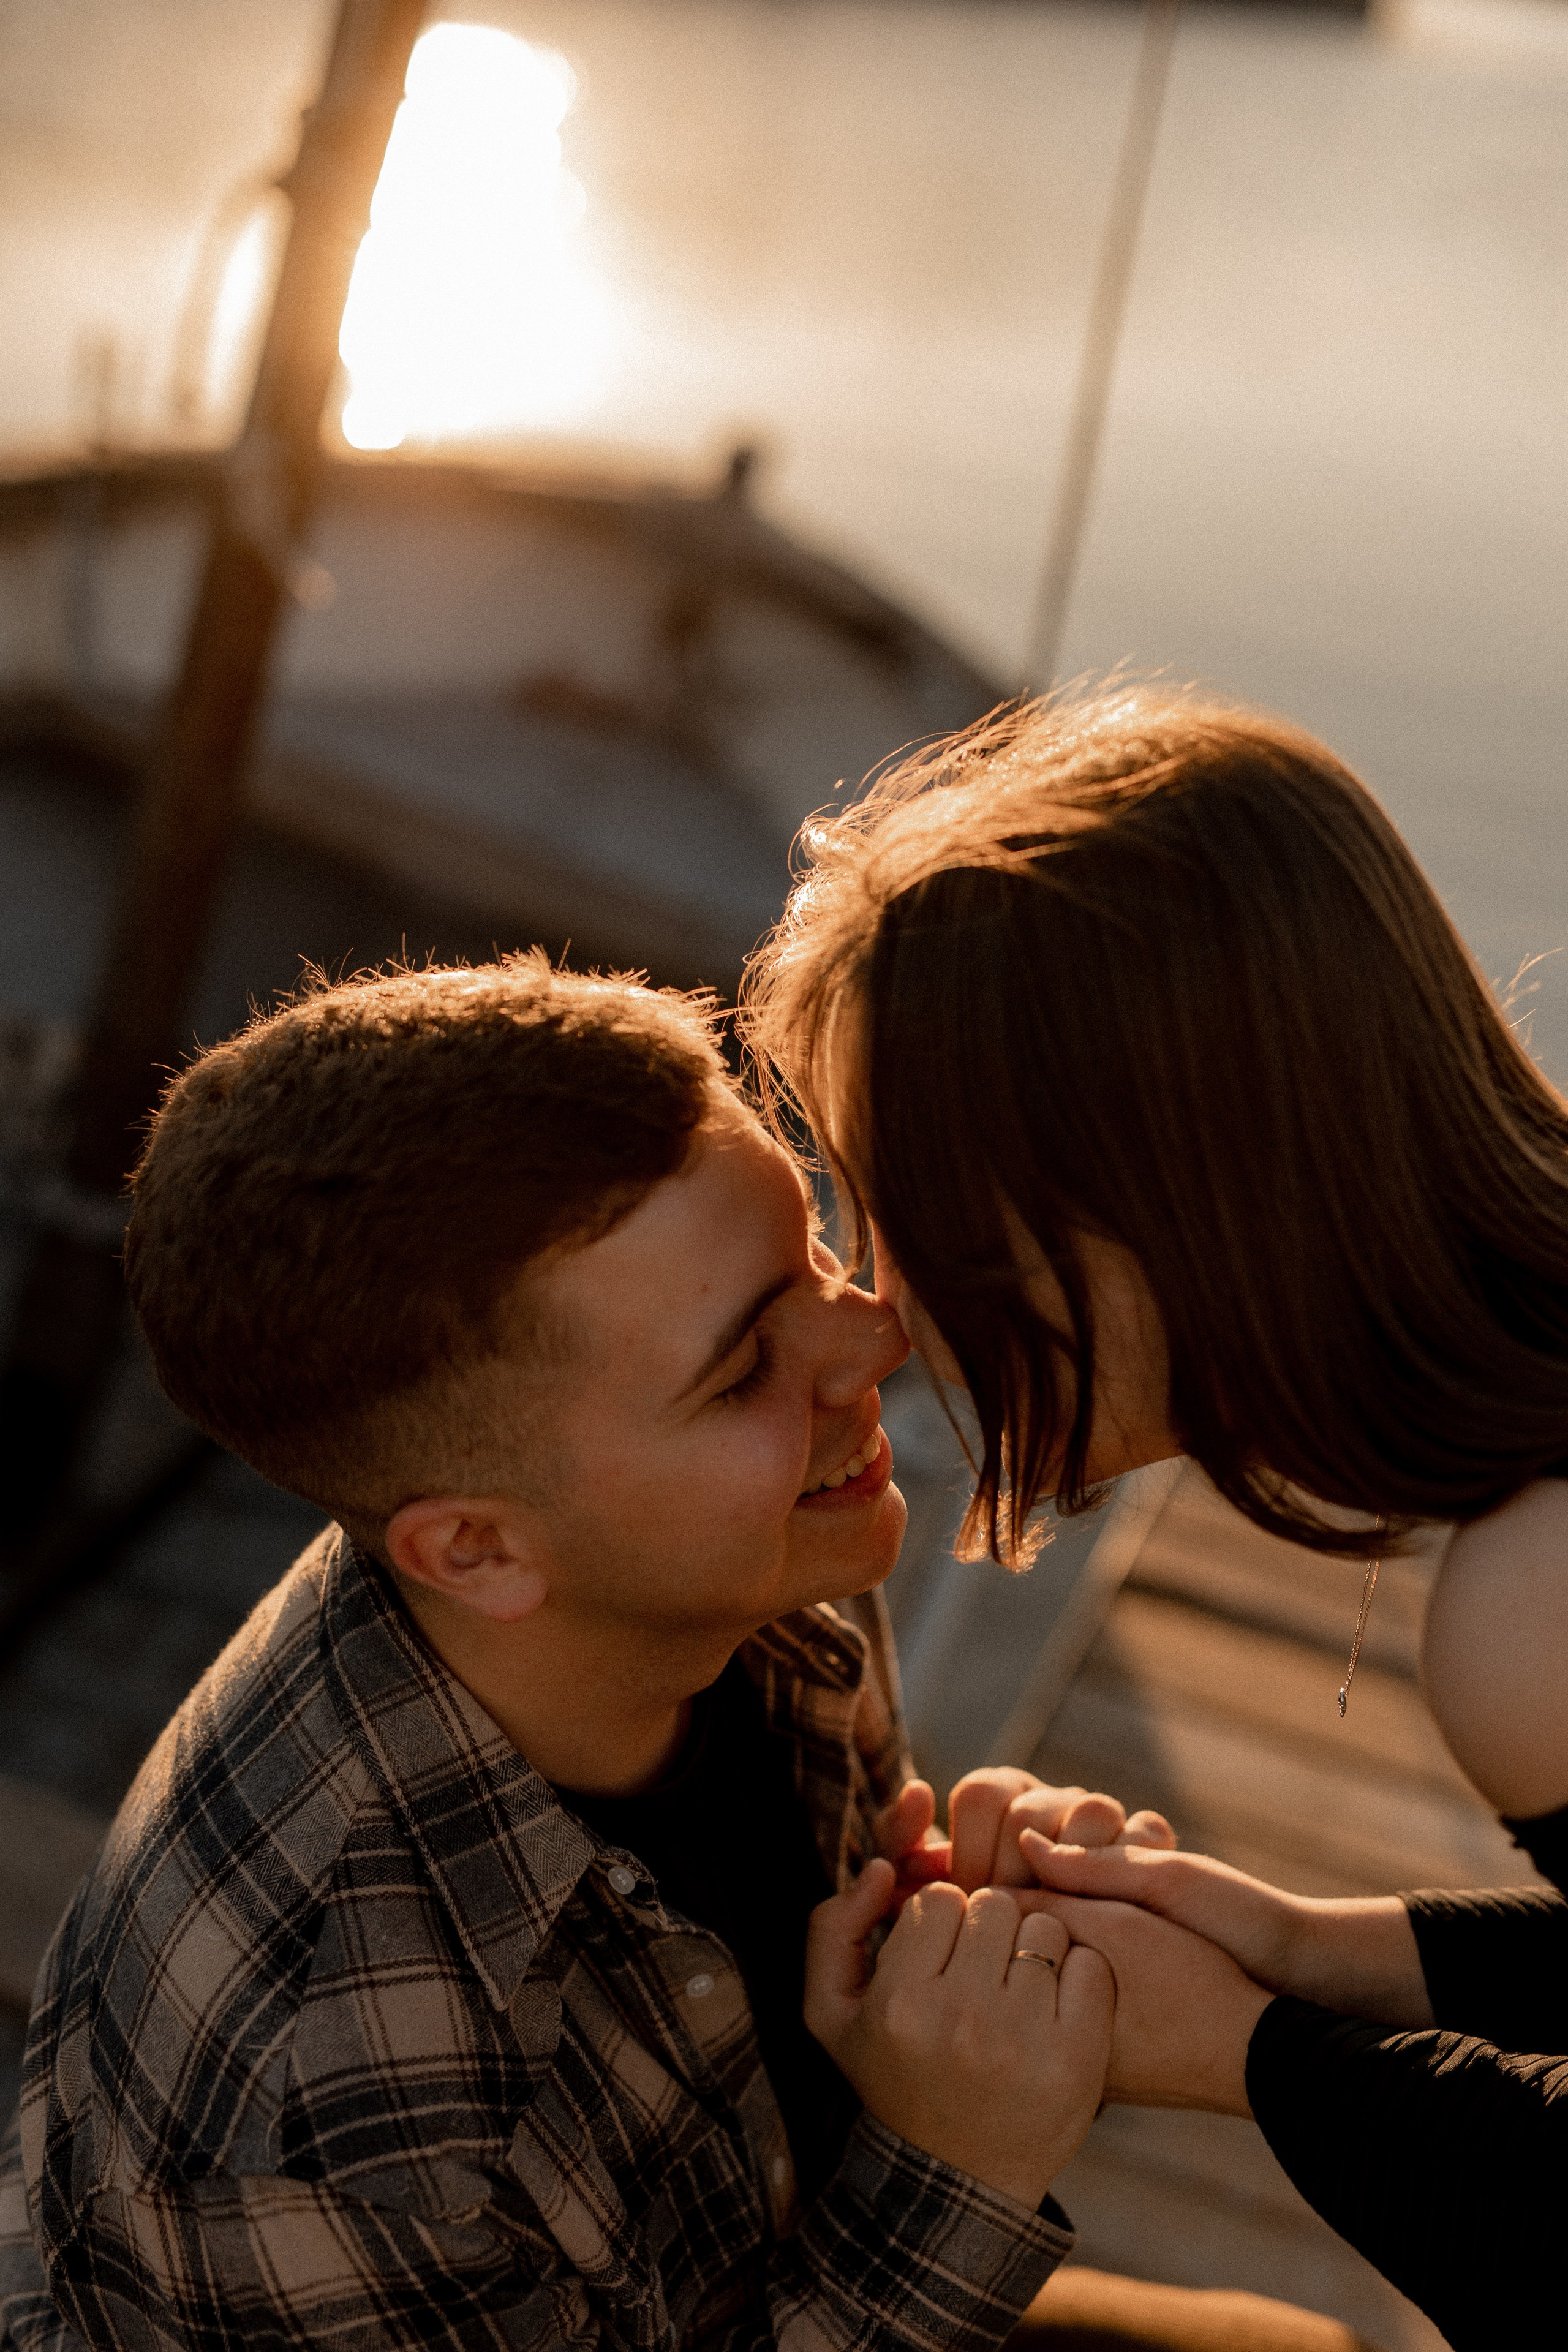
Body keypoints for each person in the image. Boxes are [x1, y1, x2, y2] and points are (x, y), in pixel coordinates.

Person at [0, 954, 1361, 2352]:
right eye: (738, 1371)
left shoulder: (722, 1559)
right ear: (474, 1551)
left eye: (813, 1255)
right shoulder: (328, 2118)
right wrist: (956, 2167)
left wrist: (952, 1936)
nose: (870, 1337)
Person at [742, 688, 1568, 2352]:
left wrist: (1238, 2048)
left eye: (907, 1209)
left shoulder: (1538, 1605)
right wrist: (1314, 1948)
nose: (889, 1308)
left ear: (1153, 1205)